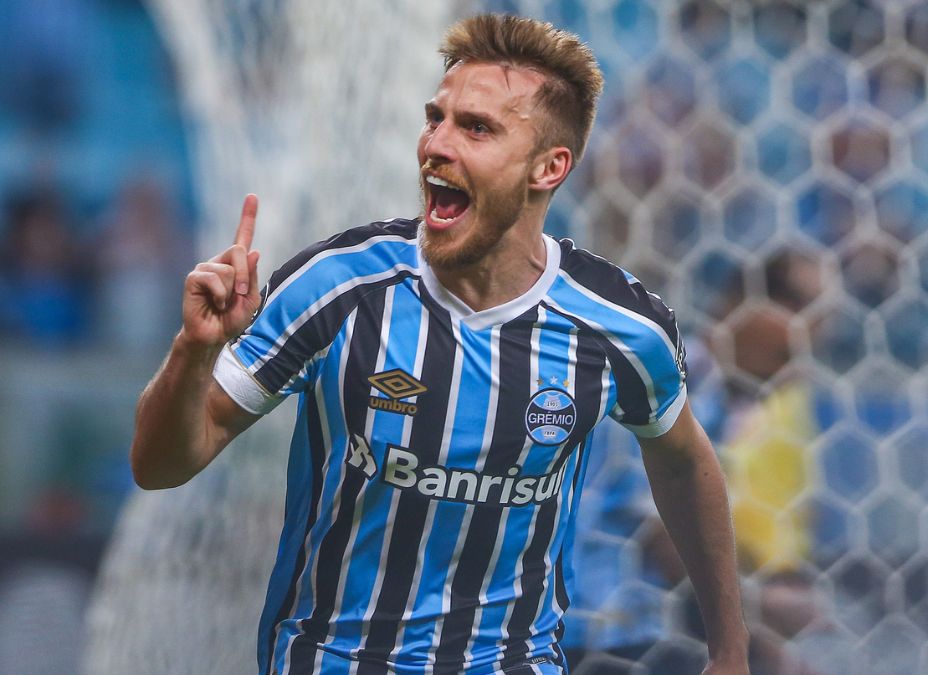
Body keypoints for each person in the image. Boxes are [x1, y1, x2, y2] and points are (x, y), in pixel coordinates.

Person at [130, 14, 748, 675]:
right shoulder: (339, 286)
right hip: (335, 659)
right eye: (437, 118)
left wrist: (729, 649)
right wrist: (192, 353)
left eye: (476, 127)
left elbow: (683, 463)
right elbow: (161, 464)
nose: (436, 144)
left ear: (550, 166)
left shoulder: (618, 326)